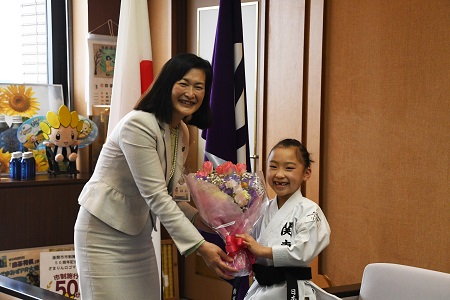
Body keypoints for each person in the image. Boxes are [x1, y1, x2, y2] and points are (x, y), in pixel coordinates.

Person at [74, 53, 237, 300]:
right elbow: (156, 195)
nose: (190, 93)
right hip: (103, 235)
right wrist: (201, 247)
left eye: (199, 87)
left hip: (137, 235)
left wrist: (209, 222)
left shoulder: (181, 131)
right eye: (183, 83)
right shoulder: (138, 125)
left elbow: (174, 197)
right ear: (166, 84)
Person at [237, 139, 339, 300]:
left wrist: (262, 250)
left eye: (289, 168)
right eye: (273, 166)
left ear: (306, 173)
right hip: (261, 287)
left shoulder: (310, 211)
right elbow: (252, 243)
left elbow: (303, 252)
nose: (279, 174)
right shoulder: (262, 208)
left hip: (290, 289)